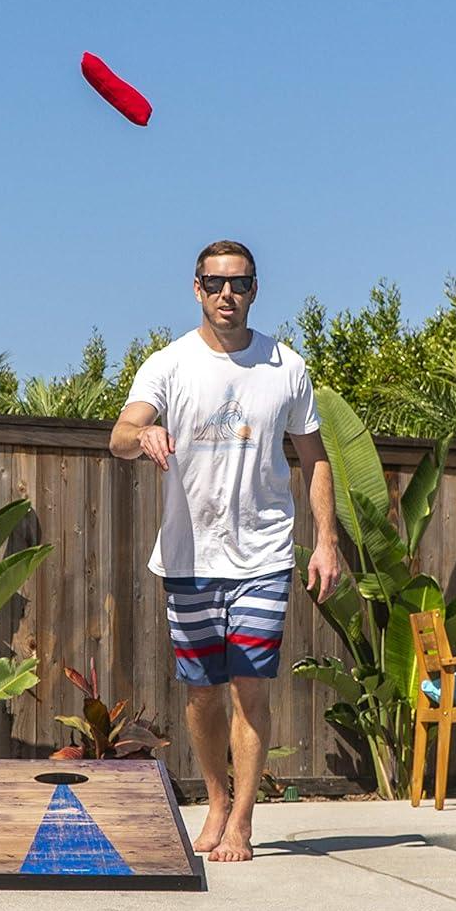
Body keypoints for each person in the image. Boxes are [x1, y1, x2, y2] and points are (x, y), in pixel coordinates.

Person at [109, 241, 340, 862]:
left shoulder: (284, 366)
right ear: (196, 288)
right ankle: (214, 798)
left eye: (237, 284)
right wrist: (145, 432)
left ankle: (240, 820)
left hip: (263, 555)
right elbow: (120, 435)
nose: (225, 295)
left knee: (250, 688)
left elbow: (316, 459)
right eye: (214, 283)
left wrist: (326, 540)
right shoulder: (169, 363)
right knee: (201, 694)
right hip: (188, 559)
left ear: (254, 289)